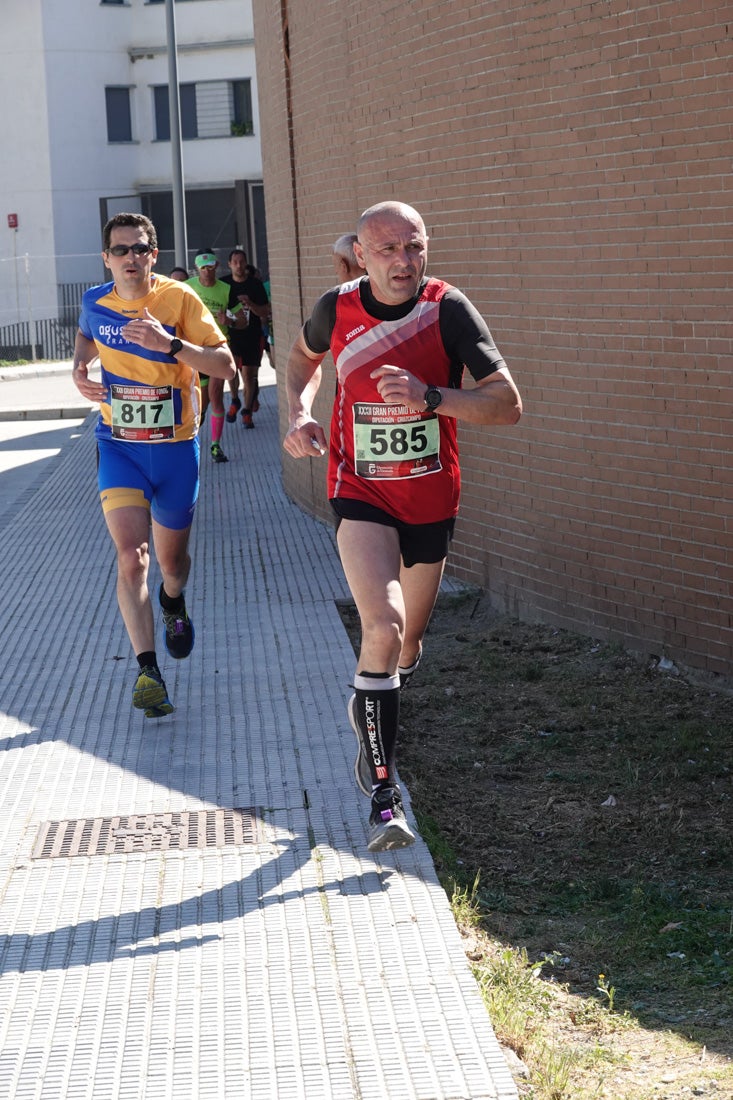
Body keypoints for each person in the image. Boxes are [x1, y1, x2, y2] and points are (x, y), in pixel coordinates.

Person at [283, 200, 522, 852]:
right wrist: (299, 413)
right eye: (386, 250)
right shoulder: (336, 309)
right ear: (360, 255)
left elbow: (507, 406)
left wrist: (432, 397)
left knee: (406, 645)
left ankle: (373, 708)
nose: (402, 262)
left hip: (429, 501)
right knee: (380, 628)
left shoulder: (447, 310)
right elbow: (299, 360)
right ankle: (383, 798)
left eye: (412, 248)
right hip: (359, 493)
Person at [72, 212, 235, 718]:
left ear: (153, 254)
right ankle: (148, 671)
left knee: (171, 565)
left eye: (139, 249)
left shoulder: (179, 299)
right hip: (118, 444)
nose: (129, 258)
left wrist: (170, 344)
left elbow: (224, 365)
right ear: (106, 258)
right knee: (131, 557)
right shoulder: (94, 302)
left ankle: (172, 601)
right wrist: (79, 368)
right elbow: (85, 334)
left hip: (174, 449)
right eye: (119, 250)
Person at [186, 249, 234, 463]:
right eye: (202, 267)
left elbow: (242, 320)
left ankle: (216, 446)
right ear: (197, 268)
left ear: (217, 266)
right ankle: (190, 438)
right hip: (194, 350)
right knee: (201, 401)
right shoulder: (188, 288)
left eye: (210, 266)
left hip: (217, 348)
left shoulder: (226, 289)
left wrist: (229, 321)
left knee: (216, 395)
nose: (207, 271)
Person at [221, 248, 270, 428]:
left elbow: (266, 310)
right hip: (231, 335)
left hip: (252, 335)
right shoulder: (224, 285)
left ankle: (247, 412)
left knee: (249, 375)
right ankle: (235, 400)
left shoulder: (254, 285)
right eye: (235, 262)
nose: (239, 265)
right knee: (231, 370)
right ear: (229, 264)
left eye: (241, 261)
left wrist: (250, 304)